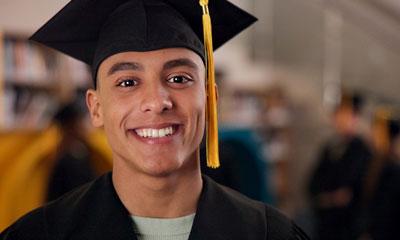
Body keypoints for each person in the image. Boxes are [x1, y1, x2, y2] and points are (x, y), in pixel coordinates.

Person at [0, 0, 309, 239]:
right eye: (127, 82)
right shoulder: (39, 234)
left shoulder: (271, 234)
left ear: (210, 98)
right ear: (96, 108)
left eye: (178, 78)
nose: (157, 102)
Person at [308, 93, 372, 240]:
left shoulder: (362, 150)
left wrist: (331, 198)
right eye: (338, 114)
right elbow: (312, 185)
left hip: (348, 226)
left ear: (355, 118)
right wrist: (329, 198)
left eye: (345, 115)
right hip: (325, 225)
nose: (339, 119)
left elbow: (353, 191)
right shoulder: (330, 148)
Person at [47, 99, 97, 201]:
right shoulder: (69, 160)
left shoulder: (82, 152)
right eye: (83, 121)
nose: (87, 127)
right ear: (71, 126)